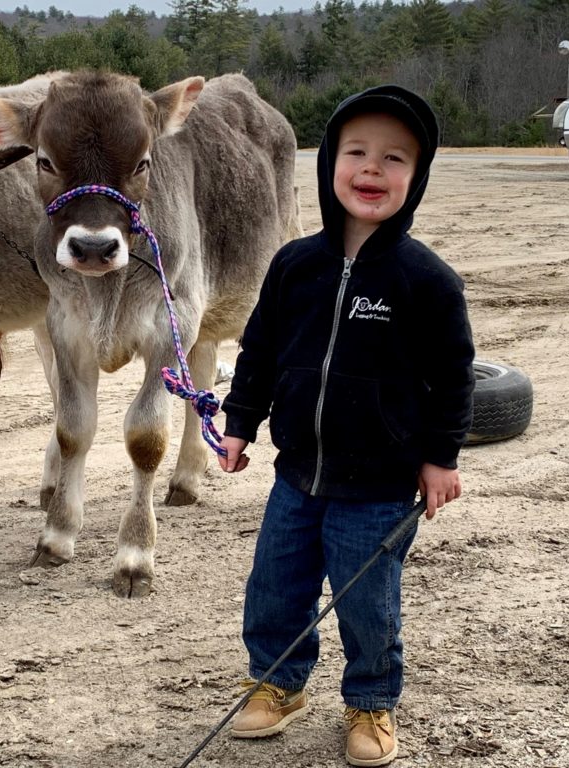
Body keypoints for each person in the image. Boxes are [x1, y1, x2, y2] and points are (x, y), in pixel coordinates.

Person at [217, 85, 475, 767]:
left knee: (367, 605)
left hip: (382, 485)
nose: (371, 168)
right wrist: (240, 422)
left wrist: (440, 458)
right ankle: (276, 685)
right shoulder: (294, 264)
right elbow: (261, 351)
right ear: (330, 161)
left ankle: (370, 701)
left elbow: (453, 377)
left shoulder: (428, 281)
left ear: (415, 178)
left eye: (394, 158)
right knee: (275, 587)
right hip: (297, 473)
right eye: (356, 151)